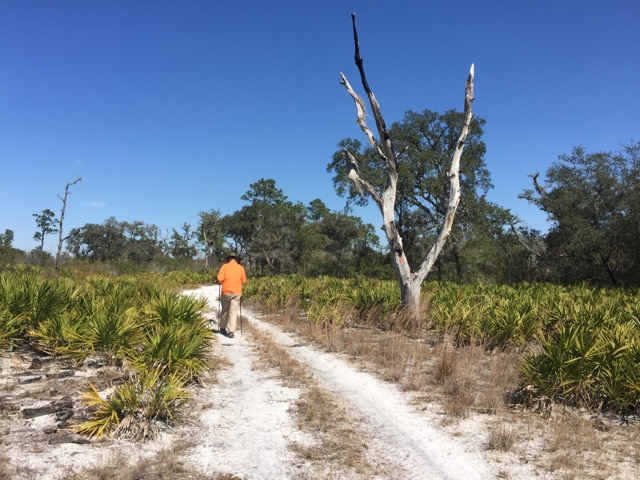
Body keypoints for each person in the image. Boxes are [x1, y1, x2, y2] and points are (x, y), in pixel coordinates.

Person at [216, 253, 247, 338]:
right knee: (233, 311)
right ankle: (231, 331)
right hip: (236, 292)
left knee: (225, 310)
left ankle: (222, 328)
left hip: (226, 292)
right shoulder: (241, 268)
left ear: (228, 259)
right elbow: (244, 281)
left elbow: (219, 279)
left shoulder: (224, 266)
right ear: (236, 259)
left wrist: (223, 282)